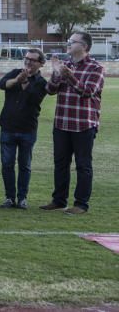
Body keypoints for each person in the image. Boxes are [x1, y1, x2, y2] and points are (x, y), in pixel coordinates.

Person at [42, 31, 105, 215]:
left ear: (84, 47)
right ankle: (59, 200)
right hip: (61, 123)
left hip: (84, 124)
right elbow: (50, 90)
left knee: (83, 165)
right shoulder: (65, 65)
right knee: (60, 164)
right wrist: (55, 74)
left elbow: (88, 91)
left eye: (73, 41)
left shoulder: (96, 68)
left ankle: (81, 204)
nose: (68, 44)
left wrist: (69, 76)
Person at [0, 49, 48, 209]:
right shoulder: (15, 72)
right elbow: (2, 85)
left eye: (33, 60)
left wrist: (24, 82)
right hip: (8, 126)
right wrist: (17, 80)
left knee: (25, 165)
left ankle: (22, 198)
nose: (28, 62)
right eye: (26, 58)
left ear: (41, 64)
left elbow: (33, 99)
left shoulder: (41, 82)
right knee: (7, 164)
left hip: (28, 129)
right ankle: (9, 198)